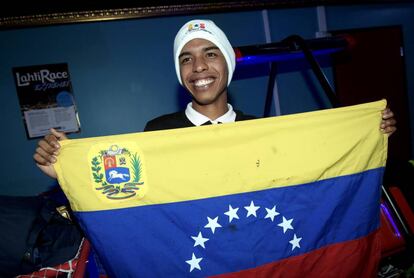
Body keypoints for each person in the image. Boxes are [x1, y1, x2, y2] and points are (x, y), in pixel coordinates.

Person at [33, 19, 397, 179]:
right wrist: (65, 172)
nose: (198, 67)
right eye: (186, 59)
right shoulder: (156, 132)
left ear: (227, 63)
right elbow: (131, 195)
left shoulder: (262, 130)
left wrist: (367, 134)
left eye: (211, 54)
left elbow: (310, 175)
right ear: (180, 74)